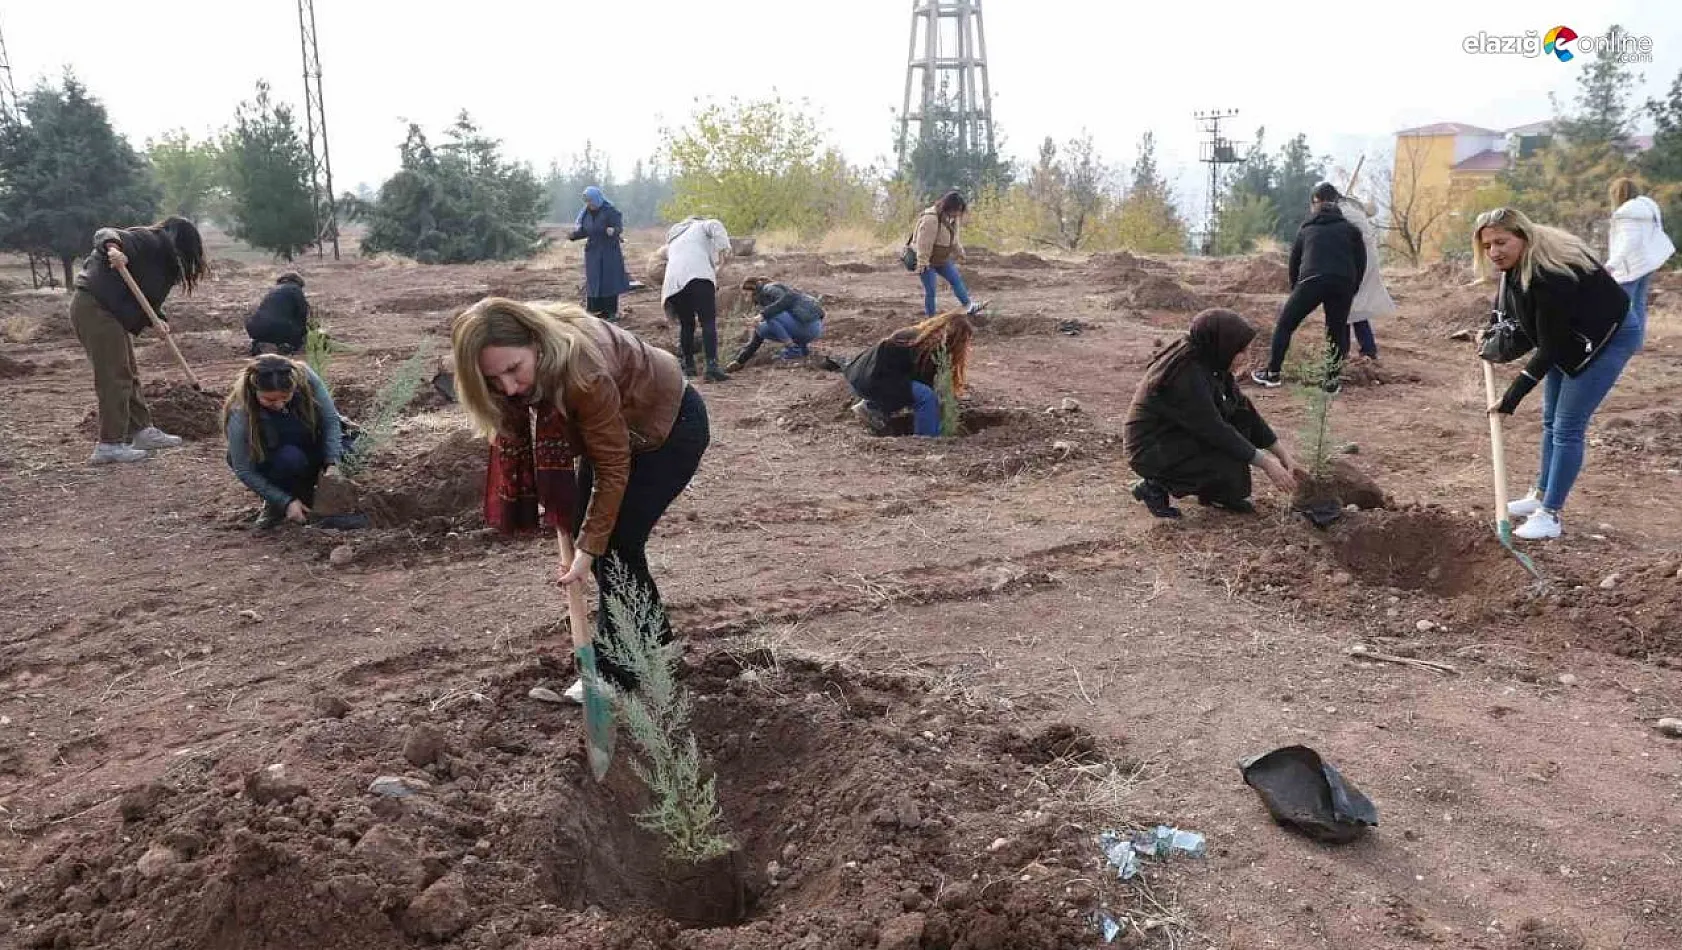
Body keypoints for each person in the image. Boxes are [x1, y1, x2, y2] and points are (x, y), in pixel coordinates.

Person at [452, 298, 709, 699]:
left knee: (614, 545)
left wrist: (587, 549)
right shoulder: (526, 353)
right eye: (492, 379)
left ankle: (616, 674)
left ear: (535, 342)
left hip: (666, 429)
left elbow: (611, 467)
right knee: (596, 538)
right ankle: (657, 649)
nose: (508, 388)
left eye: (513, 370)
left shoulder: (583, 372)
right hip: (616, 430)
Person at [1478, 207, 1634, 542]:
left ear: (1523, 237)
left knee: (1567, 426)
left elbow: (1550, 347)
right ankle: (1540, 494)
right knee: (1551, 420)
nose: (1494, 252)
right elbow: (1515, 315)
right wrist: (1490, 335)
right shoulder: (1515, 269)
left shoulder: (1549, 277)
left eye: (1501, 242)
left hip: (1607, 337)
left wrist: (1512, 397)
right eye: (1488, 245)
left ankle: (1550, 513)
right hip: (1572, 335)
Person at [1126, 309, 1307, 518]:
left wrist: (1285, 457)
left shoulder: (1211, 359)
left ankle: (1214, 494)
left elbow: (1243, 410)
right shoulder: (1186, 375)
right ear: (1223, 346)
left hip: (1179, 435)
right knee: (1229, 457)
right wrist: (1266, 464)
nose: (1246, 358)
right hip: (1152, 448)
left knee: (1241, 429)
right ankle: (1156, 486)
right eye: (1242, 351)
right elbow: (1215, 430)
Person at [69, 216, 209, 464]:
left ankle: (142, 431)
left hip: (112, 312)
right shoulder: (148, 239)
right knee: (114, 375)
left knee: (129, 373)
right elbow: (106, 231)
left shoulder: (162, 261)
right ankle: (109, 445)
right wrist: (113, 249)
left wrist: (158, 317)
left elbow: (144, 292)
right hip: (95, 306)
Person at [1252, 182, 1366, 393]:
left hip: (1311, 280)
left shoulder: (1307, 229)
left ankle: (1272, 373)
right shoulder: (1351, 230)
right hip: (1343, 283)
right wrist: (1353, 287)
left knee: (1285, 324)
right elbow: (1361, 261)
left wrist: (1296, 289)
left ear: (1316, 202)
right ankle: (1331, 383)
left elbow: (1294, 262)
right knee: (1335, 331)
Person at [223, 355, 348, 529]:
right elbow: (243, 469)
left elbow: (330, 420)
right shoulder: (240, 412)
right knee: (290, 458)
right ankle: (280, 501)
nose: (279, 405)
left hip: (309, 444)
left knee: (349, 448)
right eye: (270, 400)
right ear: (254, 390)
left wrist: (333, 462)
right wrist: (285, 501)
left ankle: (320, 496)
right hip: (280, 460)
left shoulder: (305, 378)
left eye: (285, 397)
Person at [844, 311, 972, 438]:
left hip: (861, 375)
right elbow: (922, 383)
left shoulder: (916, 336)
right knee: (925, 396)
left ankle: (872, 407)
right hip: (873, 379)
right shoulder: (924, 348)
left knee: (913, 390)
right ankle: (927, 439)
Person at [656, 216, 732, 381]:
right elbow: (715, 225)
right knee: (708, 321)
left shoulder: (676, 238)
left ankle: (688, 366)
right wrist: (725, 249)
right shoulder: (703, 225)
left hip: (673, 284)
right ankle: (711, 366)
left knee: (687, 324)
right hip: (698, 277)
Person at [1605, 178, 1674, 332]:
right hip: (1647, 263)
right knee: (1639, 303)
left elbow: (1629, 241)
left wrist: (1612, 264)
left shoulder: (1625, 214)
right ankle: (1637, 339)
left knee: (1622, 305)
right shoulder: (1647, 206)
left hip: (1631, 266)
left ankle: (1626, 337)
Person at [909, 190, 985, 318]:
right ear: (948, 207)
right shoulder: (931, 219)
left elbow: (954, 239)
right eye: (956, 210)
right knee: (931, 290)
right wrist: (922, 262)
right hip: (927, 261)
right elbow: (923, 243)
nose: (957, 214)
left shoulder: (952, 219)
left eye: (959, 211)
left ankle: (968, 306)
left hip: (941, 259)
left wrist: (960, 253)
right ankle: (931, 319)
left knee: (956, 279)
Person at [1338, 197, 1396, 361]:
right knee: (1356, 310)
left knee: (1346, 311)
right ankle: (1366, 350)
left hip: (1354, 269)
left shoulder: (1347, 214)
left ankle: (1344, 352)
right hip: (1363, 268)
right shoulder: (1357, 216)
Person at [725, 277, 826, 371]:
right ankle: (802, 350)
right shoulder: (765, 303)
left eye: (746, 295)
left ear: (753, 290)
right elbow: (757, 337)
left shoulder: (769, 289)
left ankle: (793, 350)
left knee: (770, 315)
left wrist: (762, 315)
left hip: (810, 326)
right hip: (809, 328)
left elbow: (789, 298)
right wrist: (740, 361)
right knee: (761, 328)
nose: (746, 299)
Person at [569, 185, 632, 322]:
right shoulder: (585, 214)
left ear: (597, 199)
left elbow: (619, 227)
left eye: (590, 201)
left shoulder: (610, 211)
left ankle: (610, 312)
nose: (589, 204)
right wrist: (574, 235)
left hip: (609, 251)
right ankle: (594, 310)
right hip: (593, 252)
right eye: (587, 202)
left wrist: (613, 231)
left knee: (608, 281)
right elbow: (586, 231)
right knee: (594, 281)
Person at [245, 272, 311, 356]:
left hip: (254, 328)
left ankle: (259, 343)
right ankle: (286, 346)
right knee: (296, 332)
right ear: (299, 282)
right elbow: (302, 314)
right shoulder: (295, 289)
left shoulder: (273, 290)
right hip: (277, 328)